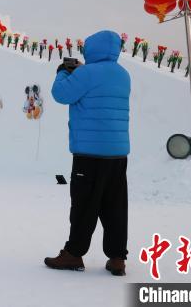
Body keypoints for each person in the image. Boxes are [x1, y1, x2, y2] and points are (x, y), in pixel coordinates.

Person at [45, 30, 131, 276]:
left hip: (89, 154)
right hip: (117, 154)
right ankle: (117, 258)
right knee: (115, 206)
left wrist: (63, 71)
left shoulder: (86, 73)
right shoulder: (123, 75)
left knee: (84, 206)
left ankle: (74, 254)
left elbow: (61, 94)